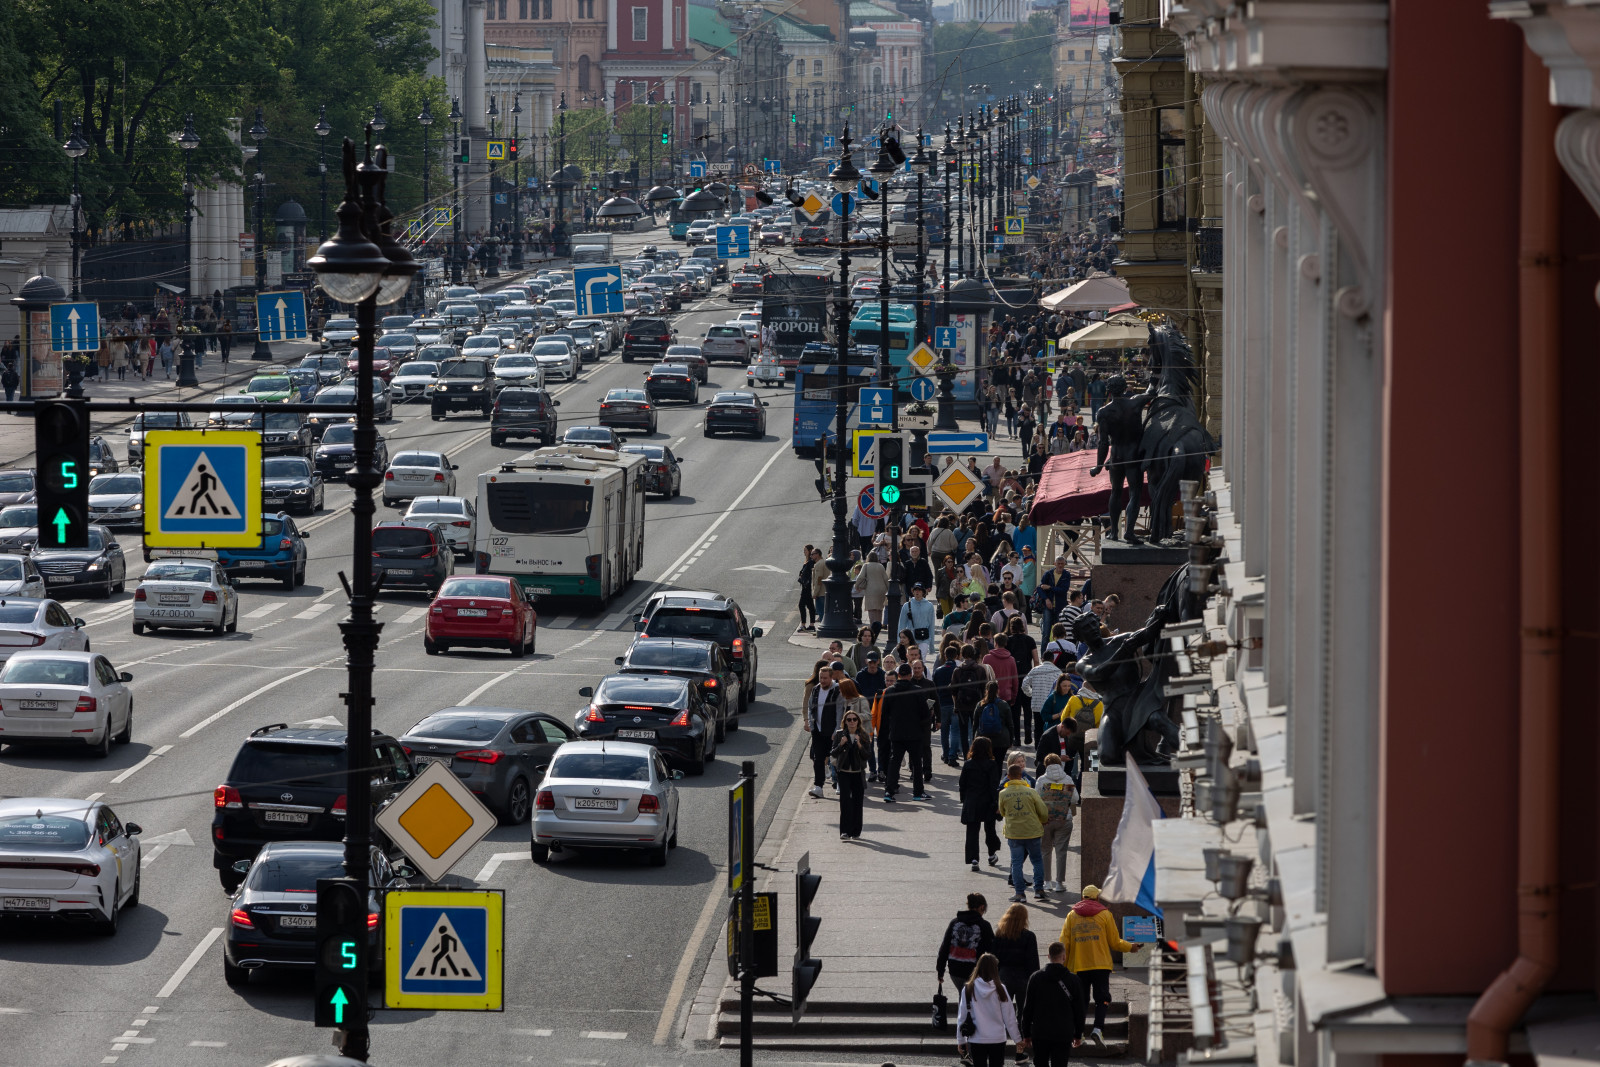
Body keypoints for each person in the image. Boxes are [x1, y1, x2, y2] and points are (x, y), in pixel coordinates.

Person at [1060, 885, 1145, 1049]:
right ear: (1097, 898)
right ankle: (1098, 1029)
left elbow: (1065, 943)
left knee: (1081, 1001)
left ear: (1083, 898)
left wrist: (1061, 966)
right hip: (1101, 965)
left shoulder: (1071, 916)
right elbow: (1114, 942)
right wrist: (1131, 947)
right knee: (1103, 999)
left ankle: (1078, 1035)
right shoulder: (1105, 914)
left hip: (1079, 966)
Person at [1022, 942, 1087, 1067]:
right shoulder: (1074, 980)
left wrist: (1026, 1033)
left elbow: (1028, 1008)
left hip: (1040, 1032)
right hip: (1063, 1032)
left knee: (1040, 1062)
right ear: (1064, 957)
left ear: (1048, 956)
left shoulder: (1035, 978)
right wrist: (1078, 1034)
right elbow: (1080, 1010)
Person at [956, 953, 1022, 1067]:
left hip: (976, 1038)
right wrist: (1017, 1039)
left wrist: (961, 1040)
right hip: (997, 1038)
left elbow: (961, 1017)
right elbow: (1009, 1017)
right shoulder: (1001, 989)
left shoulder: (968, 988)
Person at [999, 762, 1050, 903]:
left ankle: (1020, 893)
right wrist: (1042, 820)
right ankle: (1039, 890)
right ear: (1021, 776)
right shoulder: (1031, 792)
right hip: (1032, 831)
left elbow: (1002, 812)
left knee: (1016, 863)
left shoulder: (1003, 794)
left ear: (1008, 776)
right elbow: (1043, 811)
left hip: (1014, 833)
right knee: (1037, 861)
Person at [881, 662, 932, 801]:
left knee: (894, 762)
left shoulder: (890, 691)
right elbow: (925, 714)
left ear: (898, 676)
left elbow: (884, 714)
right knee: (916, 763)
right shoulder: (917, 690)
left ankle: (889, 791)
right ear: (910, 675)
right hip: (914, 733)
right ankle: (918, 792)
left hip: (896, 732)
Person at [992, 903, 1041, 1035]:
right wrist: (1035, 980)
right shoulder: (1029, 936)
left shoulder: (999, 934)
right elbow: (1033, 961)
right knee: (1023, 1010)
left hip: (1003, 975)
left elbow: (994, 958)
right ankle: (1021, 1036)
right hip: (1023, 976)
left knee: (1002, 1008)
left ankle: (1000, 1034)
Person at [801, 665, 848, 799]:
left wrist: (837, 731)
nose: (822, 681)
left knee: (836, 759)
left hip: (832, 732)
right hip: (818, 731)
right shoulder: (815, 689)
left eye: (825, 678)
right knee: (818, 759)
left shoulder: (837, 691)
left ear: (832, 677)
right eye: (821, 678)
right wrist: (810, 722)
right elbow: (811, 707)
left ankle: (839, 783)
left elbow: (840, 712)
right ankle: (818, 786)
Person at [1034, 754, 1077, 893]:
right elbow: (1076, 798)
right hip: (1064, 819)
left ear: (1046, 765)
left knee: (1045, 850)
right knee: (1061, 851)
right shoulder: (1068, 778)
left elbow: (1036, 799)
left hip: (1046, 820)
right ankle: (1059, 883)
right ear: (1060, 764)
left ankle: (1047, 882)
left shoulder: (1041, 780)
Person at [937, 892, 996, 991]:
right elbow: (992, 950)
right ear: (982, 907)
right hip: (976, 972)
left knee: (963, 995)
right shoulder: (984, 925)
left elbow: (945, 947)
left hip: (955, 970)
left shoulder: (954, 922)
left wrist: (940, 971)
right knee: (973, 1000)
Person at [960, 736, 1003, 871]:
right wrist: (997, 802)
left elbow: (962, 783)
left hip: (972, 801)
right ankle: (991, 854)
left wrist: (964, 799)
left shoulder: (968, 764)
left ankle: (973, 859)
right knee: (990, 829)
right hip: (987, 801)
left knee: (972, 831)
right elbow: (994, 785)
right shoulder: (991, 764)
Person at [831, 708, 871, 840]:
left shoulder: (864, 735)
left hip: (858, 773)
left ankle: (856, 831)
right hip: (844, 773)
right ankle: (844, 831)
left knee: (857, 803)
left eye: (854, 719)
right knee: (845, 802)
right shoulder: (839, 735)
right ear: (845, 722)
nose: (852, 722)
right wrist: (841, 744)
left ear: (858, 721)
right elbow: (833, 753)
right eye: (849, 720)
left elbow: (867, 755)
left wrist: (859, 744)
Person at [933, 644, 963, 766]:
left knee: (944, 731)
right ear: (956, 656)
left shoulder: (938, 671)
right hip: (955, 704)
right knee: (955, 731)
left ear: (944, 656)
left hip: (942, 704)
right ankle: (952, 755)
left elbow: (934, 689)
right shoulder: (958, 670)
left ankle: (945, 754)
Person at [898, 581, 938, 659]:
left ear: (923, 592)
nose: (917, 592)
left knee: (921, 661)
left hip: (924, 638)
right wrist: (899, 640)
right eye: (915, 590)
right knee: (910, 660)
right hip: (910, 638)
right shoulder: (907, 605)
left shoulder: (929, 606)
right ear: (912, 591)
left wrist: (931, 645)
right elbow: (901, 624)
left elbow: (931, 625)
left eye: (919, 590)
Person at [797, 545, 817, 631]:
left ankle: (803, 624)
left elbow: (811, 574)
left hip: (807, 587)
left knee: (802, 605)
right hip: (806, 586)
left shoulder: (810, 562)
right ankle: (811, 625)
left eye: (805, 550)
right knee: (810, 605)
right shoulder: (808, 561)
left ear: (809, 551)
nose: (804, 552)